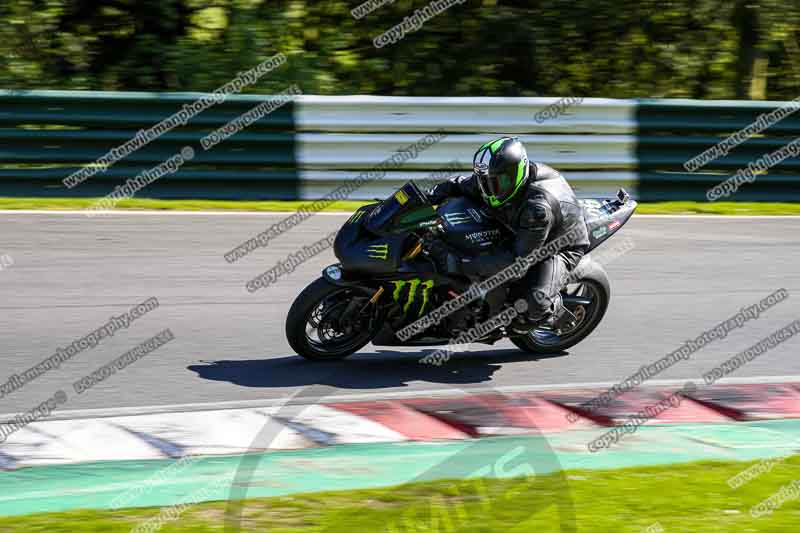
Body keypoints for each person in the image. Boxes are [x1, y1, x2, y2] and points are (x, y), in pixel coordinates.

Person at [425, 137, 590, 331]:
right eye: (484, 182)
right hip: (520, 228)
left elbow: (518, 262)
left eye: (496, 183)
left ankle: (555, 313)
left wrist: (462, 264)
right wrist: (425, 198)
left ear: (515, 175)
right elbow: (457, 184)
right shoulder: (493, 181)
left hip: (559, 244)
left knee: (534, 304)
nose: (487, 189)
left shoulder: (537, 209)